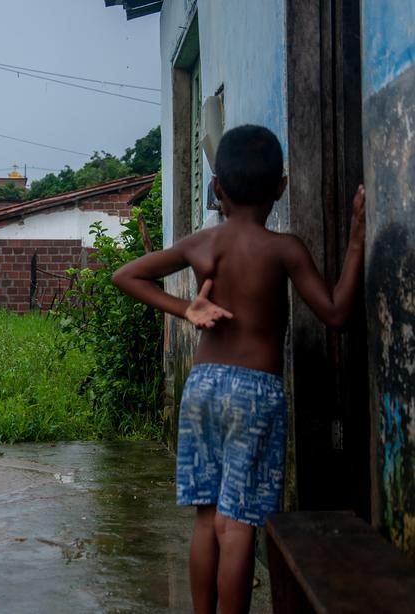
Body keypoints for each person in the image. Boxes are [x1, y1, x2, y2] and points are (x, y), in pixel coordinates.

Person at [112, 125, 365, 614]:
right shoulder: (285, 249)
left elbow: (128, 275)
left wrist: (186, 308)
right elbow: (335, 312)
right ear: (281, 187)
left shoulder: (203, 244)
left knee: (207, 518)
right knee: (239, 520)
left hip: (203, 388)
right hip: (256, 395)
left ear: (217, 188)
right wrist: (356, 240)